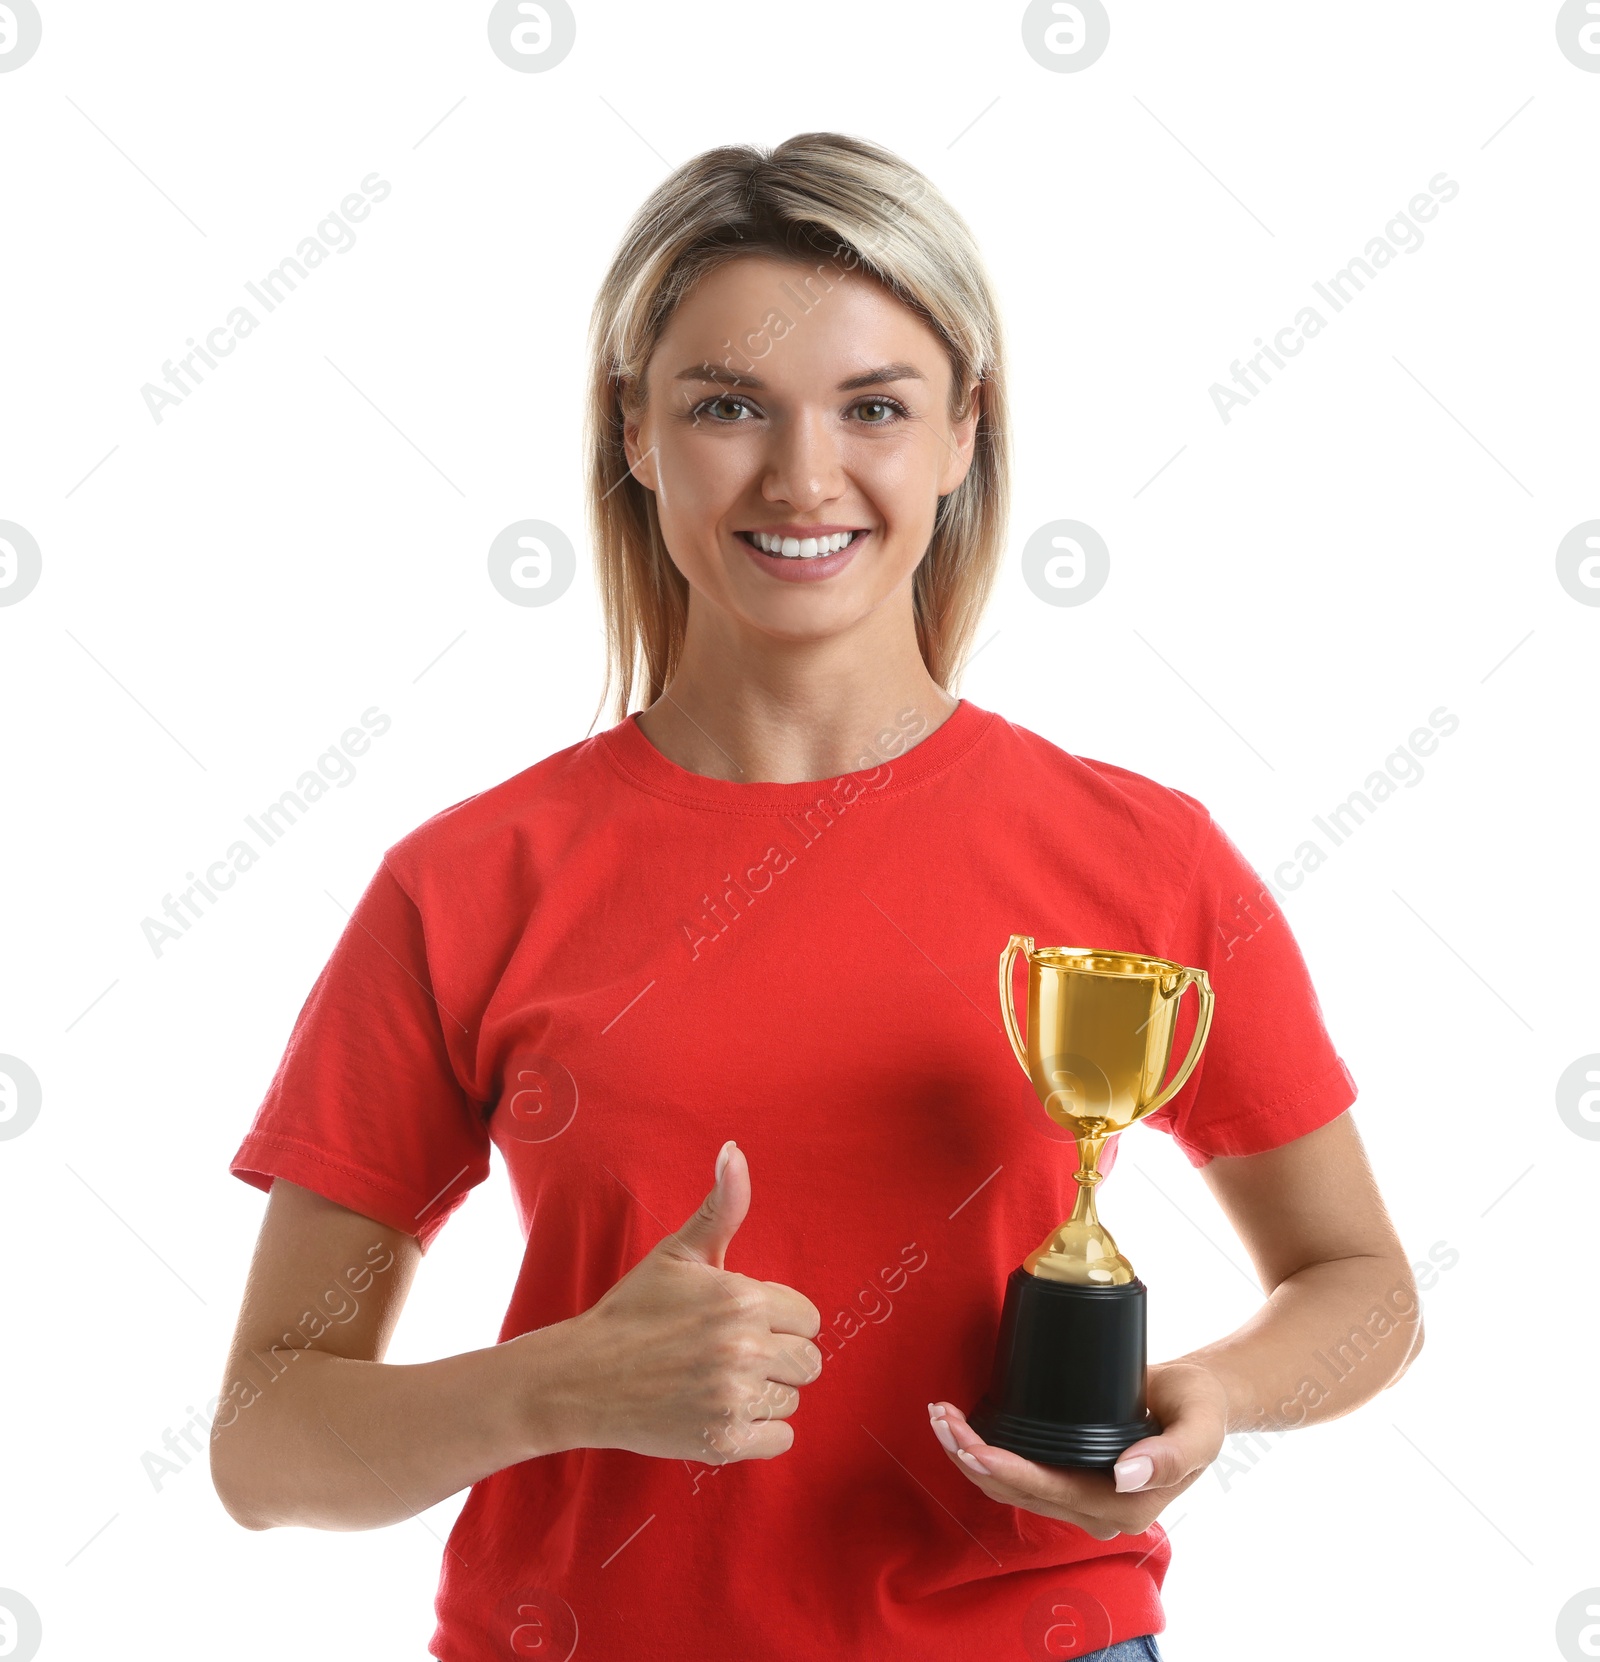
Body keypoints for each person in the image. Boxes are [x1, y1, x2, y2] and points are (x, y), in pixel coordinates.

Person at [211, 133, 1423, 1662]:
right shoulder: (466, 882)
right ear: (635, 432)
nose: (803, 478)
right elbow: (263, 1448)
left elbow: (1363, 1283)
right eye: (727, 406)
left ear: (963, 433)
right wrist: (562, 1383)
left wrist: (1218, 1395)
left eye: (874, 408)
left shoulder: (1140, 852)